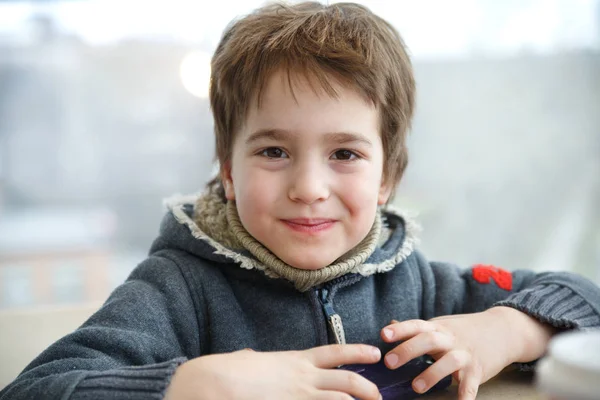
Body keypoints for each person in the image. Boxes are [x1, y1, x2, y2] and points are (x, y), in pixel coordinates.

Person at [2, 2, 599, 400]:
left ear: (387, 176)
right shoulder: (176, 290)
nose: (309, 187)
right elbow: (38, 388)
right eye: (273, 152)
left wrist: (501, 331)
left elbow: (583, 299)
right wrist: (197, 383)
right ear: (227, 170)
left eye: (344, 154)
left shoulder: (417, 285)